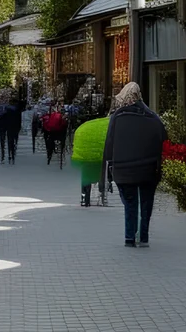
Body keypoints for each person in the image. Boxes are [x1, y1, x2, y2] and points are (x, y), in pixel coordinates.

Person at [102, 81, 165, 247]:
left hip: (123, 170)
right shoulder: (152, 117)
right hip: (148, 169)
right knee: (146, 203)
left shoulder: (117, 117)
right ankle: (143, 237)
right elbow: (163, 139)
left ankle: (129, 237)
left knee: (130, 203)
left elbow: (109, 145)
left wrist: (109, 168)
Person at [70, 113, 109, 206]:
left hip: (85, 156)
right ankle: (101, 195)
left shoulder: (84, 128)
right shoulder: (106, 127)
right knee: (102, 176)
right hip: (99, 157)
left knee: (86, 177)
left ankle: (84, 198)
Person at [0, 98, 24, 164]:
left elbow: (1, 118)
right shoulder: (18, 110)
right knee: (12, 140)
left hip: (7, 126)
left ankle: (9, 154)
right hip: (14, 126)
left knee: (8, 140)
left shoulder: (6, 109)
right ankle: (12, 154)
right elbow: (19, 120)